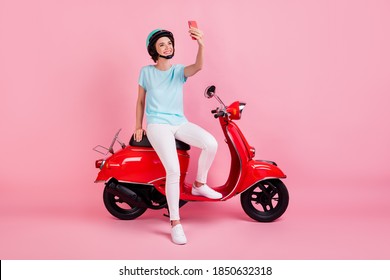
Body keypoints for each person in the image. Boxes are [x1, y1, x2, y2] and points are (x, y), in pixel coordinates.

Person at [133, 27, 222, 245]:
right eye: (162, 44)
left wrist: (201, 44)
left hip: (179, 122)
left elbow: (198, 66)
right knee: (173, 169)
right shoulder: (146, 72)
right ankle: (175, 223)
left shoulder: (178, 71)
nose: (167, 46)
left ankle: (200, 184)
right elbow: (140, 101)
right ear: (153, 49)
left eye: (169, 43)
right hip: (157, 125)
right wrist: (138, 126)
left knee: (210, 143)